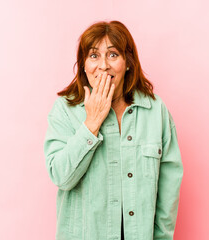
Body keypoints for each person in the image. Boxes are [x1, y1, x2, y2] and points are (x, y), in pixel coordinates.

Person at [43, 20, 183, 240]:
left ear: (127, 62)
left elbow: (169, 188)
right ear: (83, 65)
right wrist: (92, 123)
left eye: (112, 55)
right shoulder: (65, 109)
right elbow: (61, 177)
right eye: (93, 56)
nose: (103, 66)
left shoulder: (155, 110)